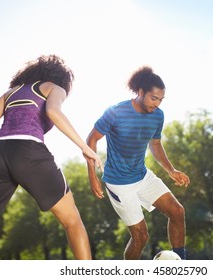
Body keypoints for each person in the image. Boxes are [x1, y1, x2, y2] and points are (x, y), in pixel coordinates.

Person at [0, 54, 103, 260]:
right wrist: (84, 147)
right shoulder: (54, 88)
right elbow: (53, 112)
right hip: (28, 151)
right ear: (62, 79)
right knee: (72, 221)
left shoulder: (11, 92)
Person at [85, 66, 190, 260]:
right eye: (153, 98)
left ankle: (180, 264)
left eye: (161, 99)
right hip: (119, 183)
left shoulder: (158, 115)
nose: (157, 104)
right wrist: (92, 176)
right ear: (141, 92)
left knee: (177, 212)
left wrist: (171, 170)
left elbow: (156, 144)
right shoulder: (115, 113)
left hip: (142, 175)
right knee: (140, 237)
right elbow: (91, 139)